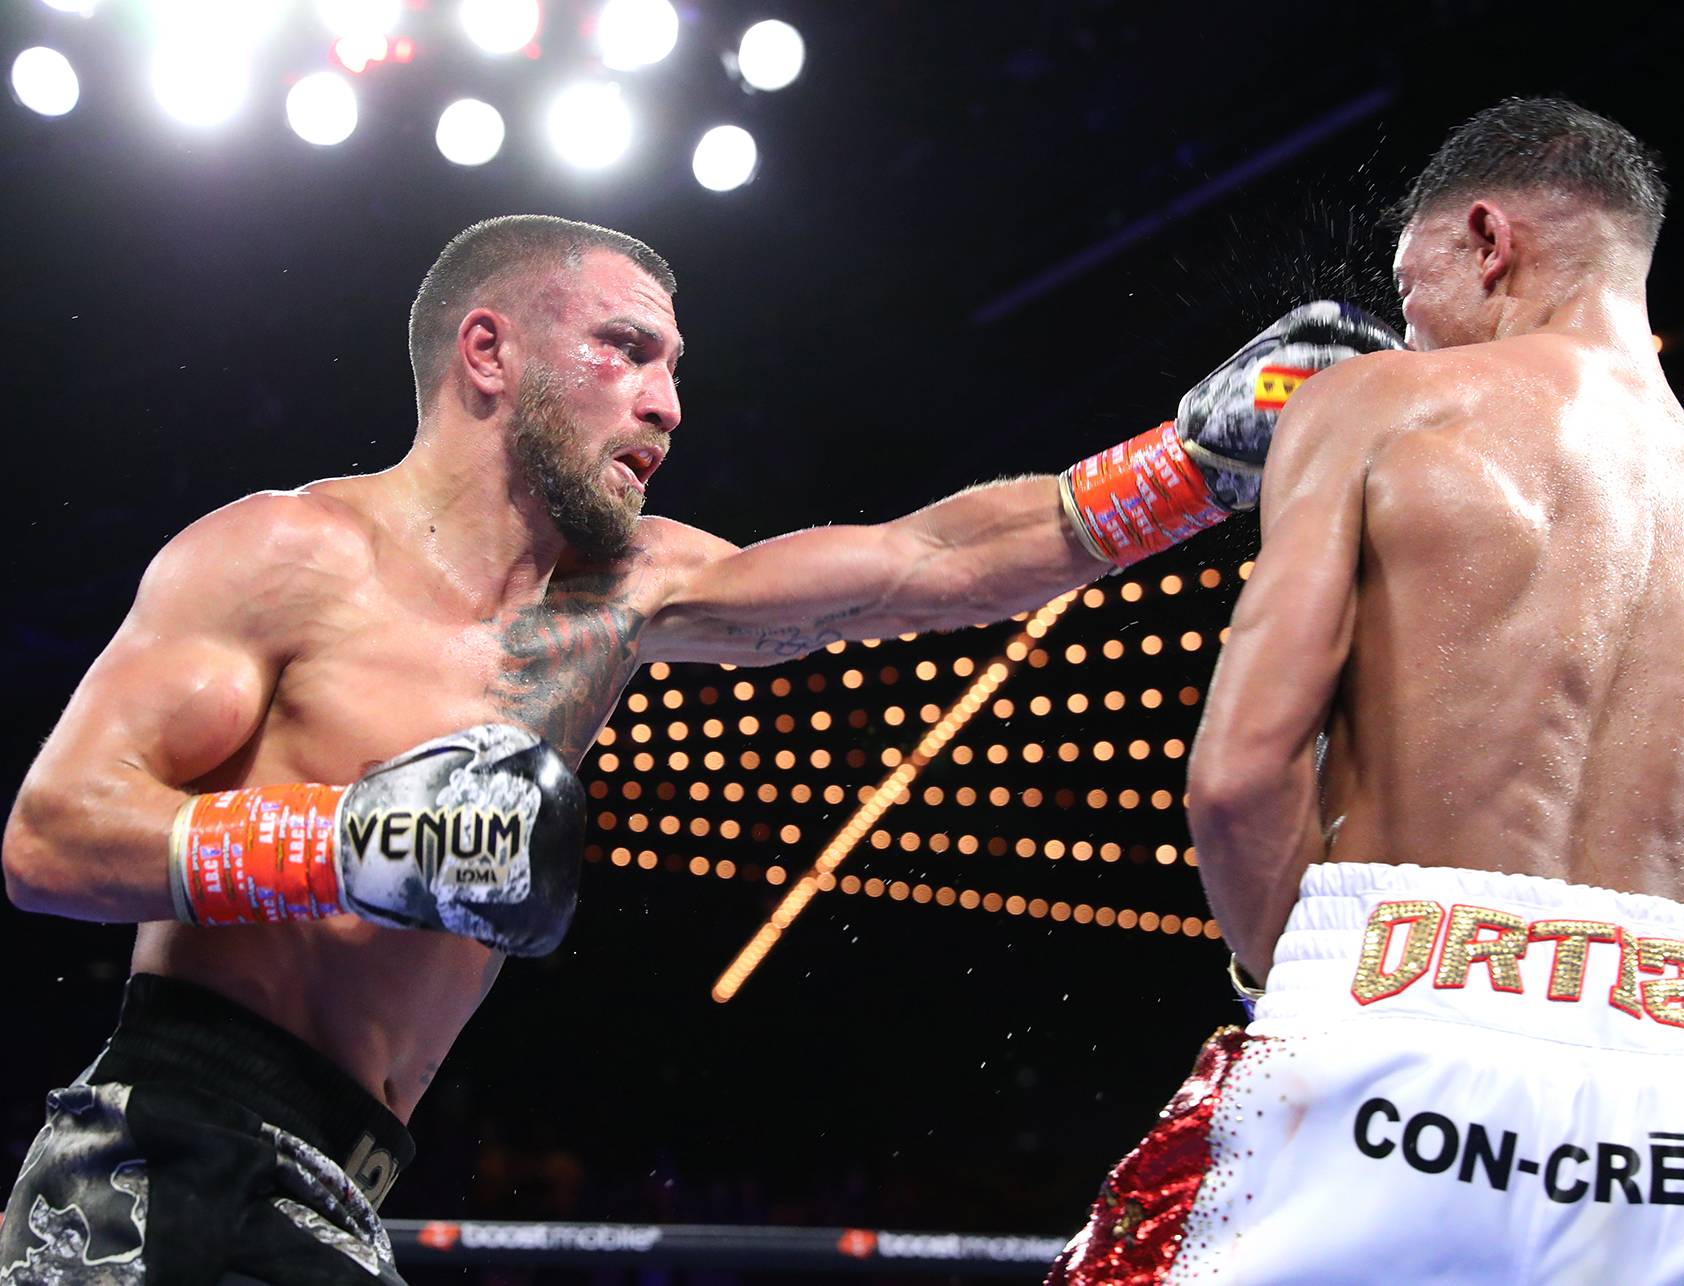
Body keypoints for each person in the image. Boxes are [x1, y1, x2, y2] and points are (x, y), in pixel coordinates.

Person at [0, 212, 1395, 1283]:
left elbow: (921, 563)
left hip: (330, 1180)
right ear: (488, 353)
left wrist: (1187, 468)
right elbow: (50, 837)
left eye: (675, 367)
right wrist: (347, 843)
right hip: (166, 1146)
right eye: (627, 350)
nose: (667, 401)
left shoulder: (628, 591)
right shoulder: (284, 553)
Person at [1051, 98, 1684, 1284]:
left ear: (1489, 240)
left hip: (1389, 1046)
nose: (1407, 332)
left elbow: (1238, 780)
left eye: (1410, 293)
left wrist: (1297, 983)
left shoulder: (1379, 402)